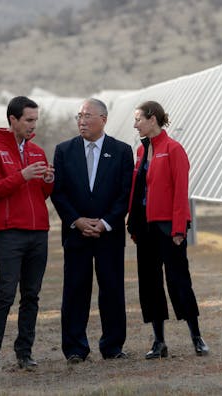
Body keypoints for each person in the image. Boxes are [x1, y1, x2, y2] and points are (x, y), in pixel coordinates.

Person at [51, 98, 134, 363]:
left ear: (103, 119)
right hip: (76, 233)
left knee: (111, 289)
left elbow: (125, 193)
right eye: (79, 116)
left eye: (87, 116)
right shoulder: (64, 150)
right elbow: (59, 192)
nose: (82, 121)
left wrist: (106, 222)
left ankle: (112, 346)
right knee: (75, 290)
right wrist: (77, 220)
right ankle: (75, 348)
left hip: (109, 234)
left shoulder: (121, 151)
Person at [0, 96, 54, 372]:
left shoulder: (38, 152)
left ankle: (24, 352)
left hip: (38, 233)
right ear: (13, 120)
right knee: (5, 294)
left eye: (36, 120)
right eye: (29, 120)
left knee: (31, 295)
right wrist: (22, 175)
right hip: (10, 234)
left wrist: (47, 181)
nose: (34, 125)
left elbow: (42, 195)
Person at [127, 101, 209, 360]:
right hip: (145, 228)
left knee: (178, 281)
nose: (135, 124)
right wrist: (134, 224)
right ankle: (159, 341)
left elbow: (180, 193)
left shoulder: (173, 149)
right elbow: (138, 190)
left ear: (153, 119)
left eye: (138, 119)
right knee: (150, 284)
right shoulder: (141, 152)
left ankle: (197, 337)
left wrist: (178, 229)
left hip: (167, 228)